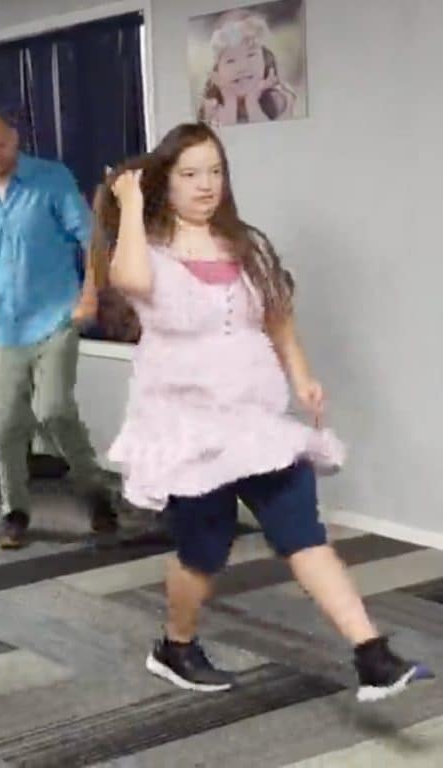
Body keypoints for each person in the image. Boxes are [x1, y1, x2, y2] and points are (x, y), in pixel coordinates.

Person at [102, 122, 429, 701]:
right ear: (164, 184)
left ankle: (371, 655)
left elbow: (277, 315)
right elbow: (127, 279)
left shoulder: (244, 245)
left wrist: (302, 377)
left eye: (215, 171)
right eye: (190, 174)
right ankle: (175, 647)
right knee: (205, 550)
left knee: (303, 532)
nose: (207, 185)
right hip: (188, 427)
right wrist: (129, 204)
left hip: (257, 420)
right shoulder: (148, 250)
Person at [0, 106, 153, 549]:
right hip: (6, 325)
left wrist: (89, 294)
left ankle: (95, 494)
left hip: (57, 315)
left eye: (3, 144)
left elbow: (92, 239)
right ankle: (14, 510)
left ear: (15, 137)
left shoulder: (51, 179)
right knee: (3, 424)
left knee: (53, 410)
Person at [197, 9, 296, 126]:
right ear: (217, 70)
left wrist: (252, 100)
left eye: (251, 55)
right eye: (230, 61)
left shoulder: (279, 98)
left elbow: (268, 136)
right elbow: (228, 140)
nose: (242, 67)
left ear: (266, 59)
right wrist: (229, 98)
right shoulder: (212, 106)